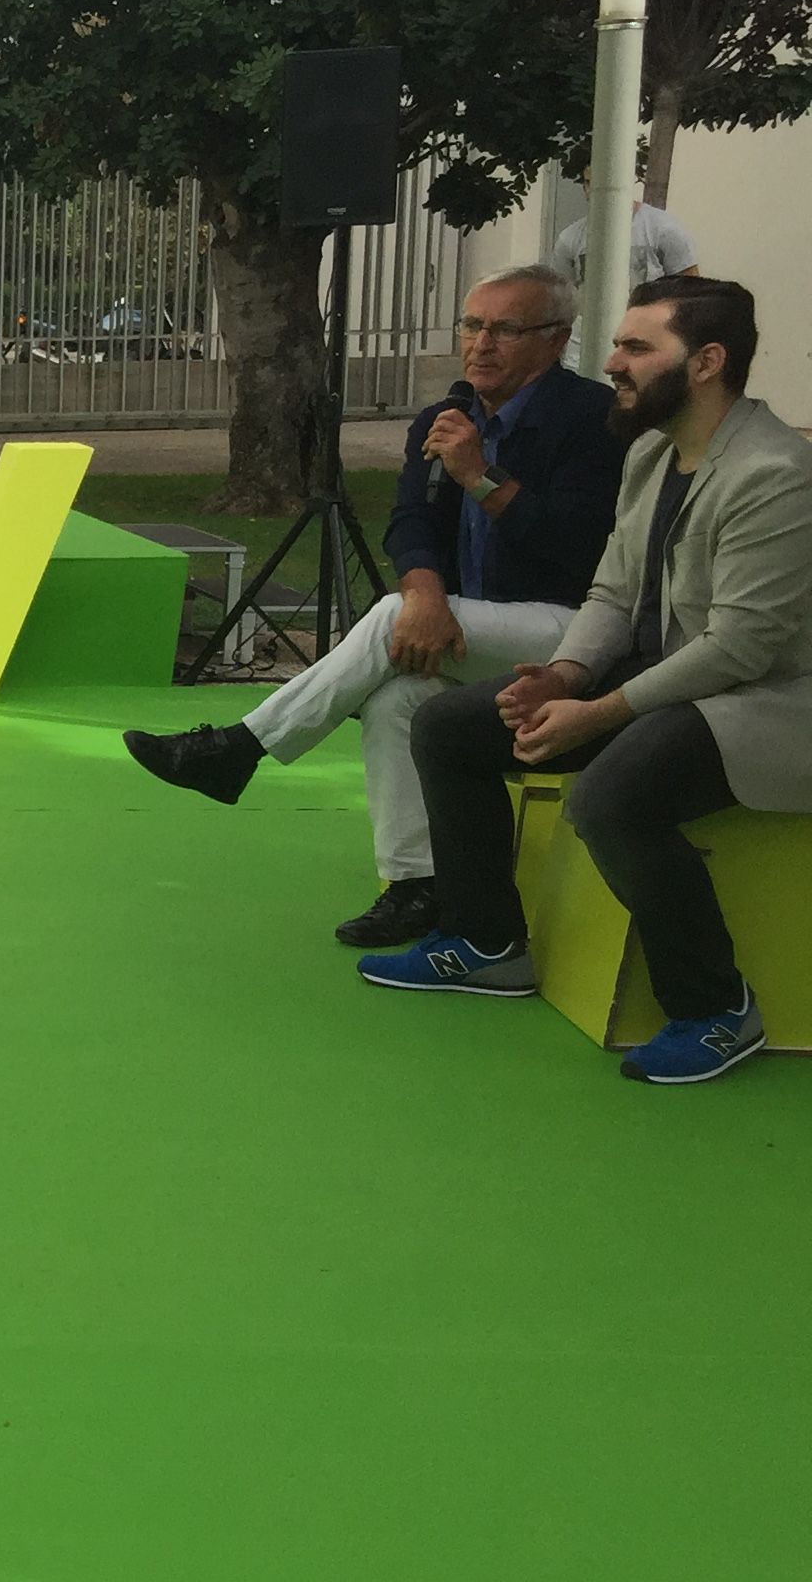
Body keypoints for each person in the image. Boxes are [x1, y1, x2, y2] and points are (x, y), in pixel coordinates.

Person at [364, 281, 812, 1085]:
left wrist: (594, 710)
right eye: (618, 345)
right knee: (449, 726)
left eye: (637, 348)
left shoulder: (776, 471)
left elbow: (740, 649)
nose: (612, 363)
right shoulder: (651, 453)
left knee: (611, 797)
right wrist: (562, 675)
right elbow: (611, 593)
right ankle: (486, 942)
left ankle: (715, 1009)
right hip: (674, 677)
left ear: (707, 362)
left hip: (768, 703)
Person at [122, 264, 625, 943]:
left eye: (506, 329)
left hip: (576, 635)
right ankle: (417, 886)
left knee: (389, 618)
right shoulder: (444, 419)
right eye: (472, 325)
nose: (481, 344)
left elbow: (577, 545)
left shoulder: (593, 421)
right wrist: (426, 594)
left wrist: (480, 477)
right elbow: (411, 523)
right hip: (476, 629)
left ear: (556, 338)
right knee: (397, 697)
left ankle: (239, 747)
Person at [550, 149, 700, 288]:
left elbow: (690, 292)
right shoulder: (569, 239)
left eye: (604, 182)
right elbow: (562, 297)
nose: (595, 190)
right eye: (589, 182)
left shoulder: (665, 230)